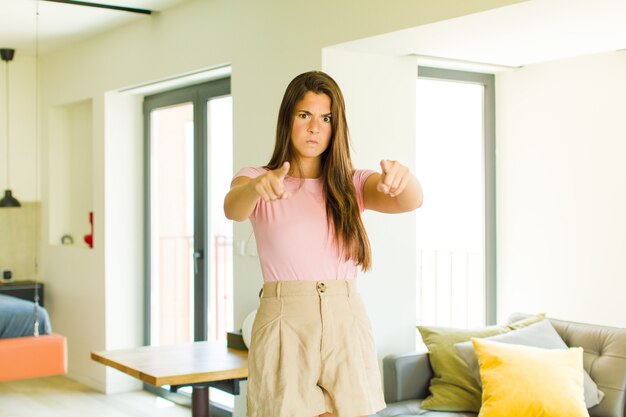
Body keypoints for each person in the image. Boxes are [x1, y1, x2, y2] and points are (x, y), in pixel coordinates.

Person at [224, 71, 423, 417]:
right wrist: (257, 188)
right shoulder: (258, 178)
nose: (315, 127)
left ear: (336, 126)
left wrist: (403, 179)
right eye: (304, 115)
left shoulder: (352, 184)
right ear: (288, 120)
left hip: (345, 319)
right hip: (285, 320)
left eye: (326, 118)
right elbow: (233, 207)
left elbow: (409, 201)